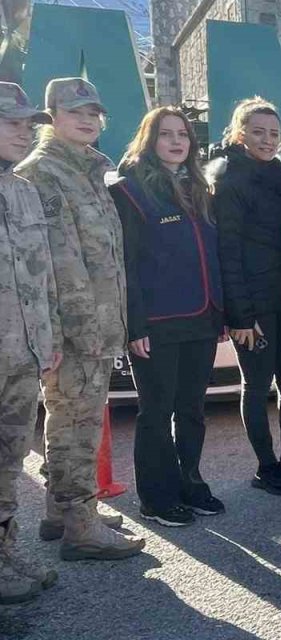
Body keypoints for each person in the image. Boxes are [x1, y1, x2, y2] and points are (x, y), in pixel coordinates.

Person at [17, 77, 144, 560]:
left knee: (69, 419)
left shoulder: (93, 168)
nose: (88, 120)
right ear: (51, 117)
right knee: (78, 426)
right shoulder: (43, 172)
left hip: (98, 321)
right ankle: (81, 527)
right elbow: (59, 262)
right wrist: (82, 331)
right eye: (75, 112)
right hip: (74, 329)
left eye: (94, 113)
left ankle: (62, 511)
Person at [110, 106, 225, 526]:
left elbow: (212, 254)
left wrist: (221, 311)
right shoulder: (130, 190)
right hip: (157, 323)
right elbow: (126, 263)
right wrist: (134, 323)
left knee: (192, 409)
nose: (177, 141)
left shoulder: (200, 187)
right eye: (165, 134)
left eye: (183, 134)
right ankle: (156, 497)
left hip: (201, 317)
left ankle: (189, 482)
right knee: (156, 413)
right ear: (148, 139)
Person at [208, 97, 281, 495]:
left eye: (273, 133)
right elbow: (227, 253)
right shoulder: (230, 181)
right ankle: (265, 467)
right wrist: (240, 316)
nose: (267, 140)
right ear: (240, 134)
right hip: (253, 306)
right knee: (256, 386)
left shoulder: (280, 178)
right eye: (258, 132)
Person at [0, 82, 60, 603]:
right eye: (10, 122)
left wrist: (47, 336)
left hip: (21, 353)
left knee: (9, 457)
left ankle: (4, 550)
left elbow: (41, 275)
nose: (24, 132)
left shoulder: (22, 189)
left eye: (27, 123)